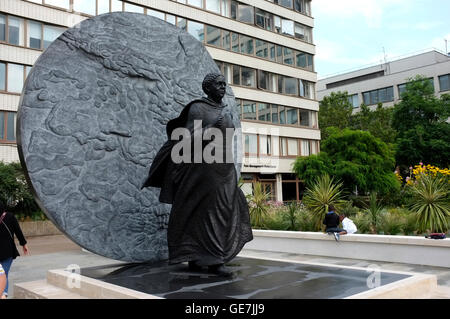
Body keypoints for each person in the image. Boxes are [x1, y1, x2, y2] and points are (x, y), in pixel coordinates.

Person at [142, 73, 253, 277]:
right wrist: (211, 128)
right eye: (218, 84)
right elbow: (186, 139)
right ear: (208, 88)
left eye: (224, 84)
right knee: (203, 213)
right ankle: (209, 260)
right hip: (203, 170)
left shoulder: (225, 110)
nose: (222, 87)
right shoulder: (198, 108)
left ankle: (206, 256)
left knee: (225, 210)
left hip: (223, 168)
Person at [0, 203, 29, 299]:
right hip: (8, 252)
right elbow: (18, 231)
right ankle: (3, 295)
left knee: (1, 275)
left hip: (6, 252)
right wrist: (23, 244)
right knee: (4, 274)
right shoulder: (10, 217)